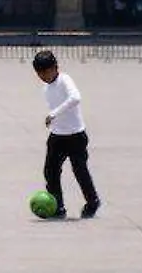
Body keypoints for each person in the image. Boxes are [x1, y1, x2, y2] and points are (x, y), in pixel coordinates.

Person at [32, 50, 101, 219]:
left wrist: (53, 114)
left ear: (56, 67)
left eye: (46, 72)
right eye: (39, 74)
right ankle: (57, 206)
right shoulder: (46, 87)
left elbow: (75, 98)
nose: (43, 76)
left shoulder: (64, 79)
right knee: (51, 171)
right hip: (57, 136)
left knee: (80, 171)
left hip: (76, 136)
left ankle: (92, 201)